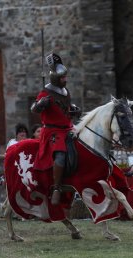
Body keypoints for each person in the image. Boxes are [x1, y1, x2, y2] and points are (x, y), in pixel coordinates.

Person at [30, 53, 81, 205]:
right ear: (55, 78)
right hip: (53, 132)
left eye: (65, 77)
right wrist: (41, 104)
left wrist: (74, 109)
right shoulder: (45, 93)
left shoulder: (65, 92)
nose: (65, 80)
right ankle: (57, 188)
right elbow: (34, 108)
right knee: (60, 155)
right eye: (62, 78)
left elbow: (66, 107)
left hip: (68, 128)